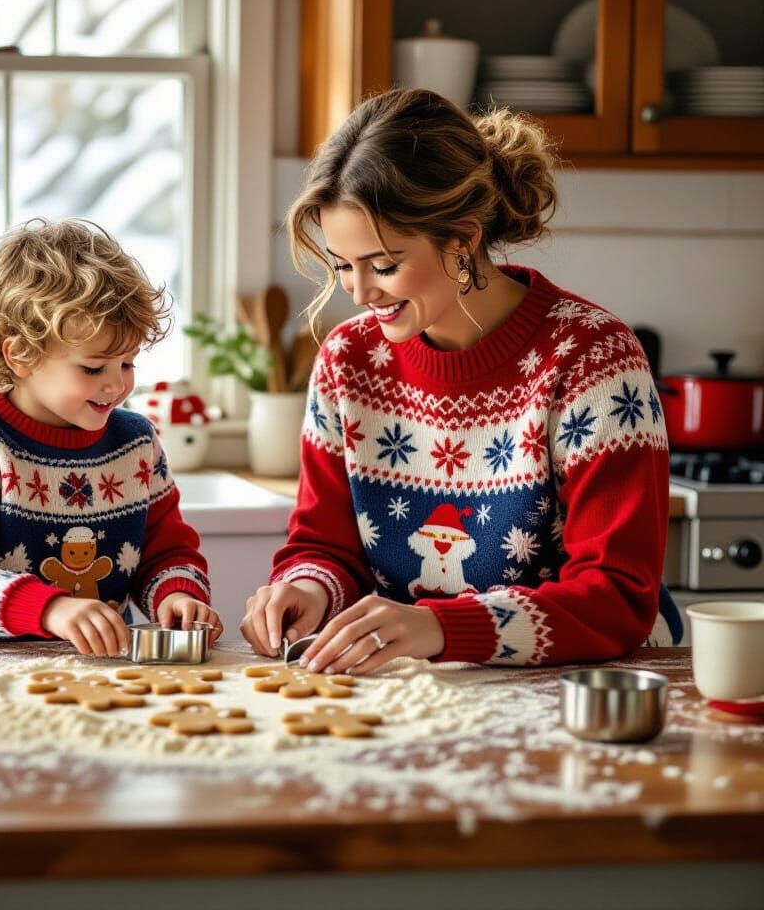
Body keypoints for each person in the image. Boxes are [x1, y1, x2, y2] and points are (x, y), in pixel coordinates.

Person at [240, 88, 682, 675]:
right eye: (342, 265)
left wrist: (442, 626)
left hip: (582, 687)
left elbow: (617, 597)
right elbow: (326, 545)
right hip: (418, 689)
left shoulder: (592, 359)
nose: (358, 291)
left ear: (463, 240)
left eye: (384, 264)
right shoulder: (348, 361)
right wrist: (308, 586)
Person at [0, 217, 221, 653]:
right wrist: (49, 609)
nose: (116, 385)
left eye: (127, 364)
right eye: (93, 368)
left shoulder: (136, 443)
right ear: (20, 355)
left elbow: (165, 549)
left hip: (88, 668)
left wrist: (178, 595)